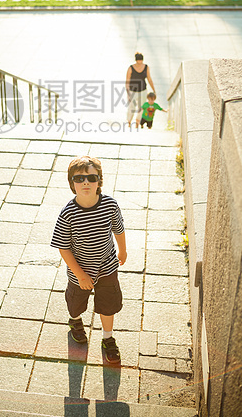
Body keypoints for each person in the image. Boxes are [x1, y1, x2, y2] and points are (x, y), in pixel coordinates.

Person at [51, 156, 127, 364]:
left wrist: (123, 251)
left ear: (99, 181)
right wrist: (80, 274)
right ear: (72, 183)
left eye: (92, 178)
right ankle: (75, 321)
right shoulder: (68, 213)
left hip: (107, 265)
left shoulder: (109, 205)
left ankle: (108, 338)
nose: (86, 183)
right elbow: (63, 247)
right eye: (79, 179)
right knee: (76, 302)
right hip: (80, 269)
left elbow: (118, 229)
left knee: (108, 303)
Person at [126, 52, 156, 129]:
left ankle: (137, 122)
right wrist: (128, 92)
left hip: (143, 90)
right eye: (138, 60)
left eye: (141, 60)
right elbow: (127, 81)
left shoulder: (146, 67)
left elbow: (149, 79)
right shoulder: (131, 68)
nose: (140, 62)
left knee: (141, 107)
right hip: (132, 91)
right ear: (136, 60)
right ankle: (129, 121)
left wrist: (153, 89)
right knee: (131, 107)